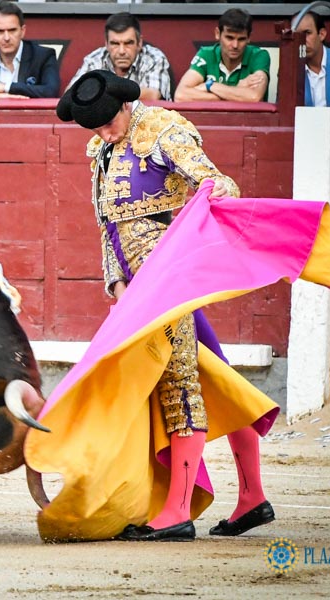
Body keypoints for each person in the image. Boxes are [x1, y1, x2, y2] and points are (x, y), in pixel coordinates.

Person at [39, 70, 280, 542]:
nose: (104, 132)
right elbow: (108, 224)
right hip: (140, 289)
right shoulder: (103, 150)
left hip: (170, 282)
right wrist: (117, 282)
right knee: (218, 378)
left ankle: (176, 512)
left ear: (126, 106)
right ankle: (252, 496)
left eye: (108, 122)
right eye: (96, 128)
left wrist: (187, 244)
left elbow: (218, 184)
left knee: (179, 383)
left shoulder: (164, 131)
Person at [66, 13, 172, 101]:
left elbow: (153, 96)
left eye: (128, 43)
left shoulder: (154, 58)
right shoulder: (95, 59)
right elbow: (70, 94)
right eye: (115, 44)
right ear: (106, 44)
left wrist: (99, 92)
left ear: (139, 43)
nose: (122, 51)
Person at [174, 8, 269, 103]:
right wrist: (236, 91)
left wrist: (210, 85)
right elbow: (180, 95)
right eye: (229, 38)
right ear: (217, 34)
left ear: (249, 38)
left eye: (241, 39)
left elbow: (254, 97)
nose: (235, 45)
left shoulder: (259, 56)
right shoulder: (206, 54)